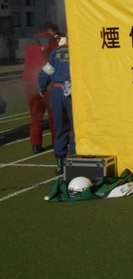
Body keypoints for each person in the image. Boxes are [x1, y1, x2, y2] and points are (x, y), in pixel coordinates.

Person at [39, 35, 74, 175]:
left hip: (56, 92)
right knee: (76, 128)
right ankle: (74, 158)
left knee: (60, 127)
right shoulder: (78, 51)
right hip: (72, 93)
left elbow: (45, 72)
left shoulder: (55, 52)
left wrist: (42, 87)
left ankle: (60, 163)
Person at [22, 23, 59, 153]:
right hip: (46, 81)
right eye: (55, 33)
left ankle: (35, 144)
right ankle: (57, 142)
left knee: (35, 116)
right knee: (54, 115)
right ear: (50, 30)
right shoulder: (51, 40)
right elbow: (56, 59)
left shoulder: (30, 42)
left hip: (29, 82)